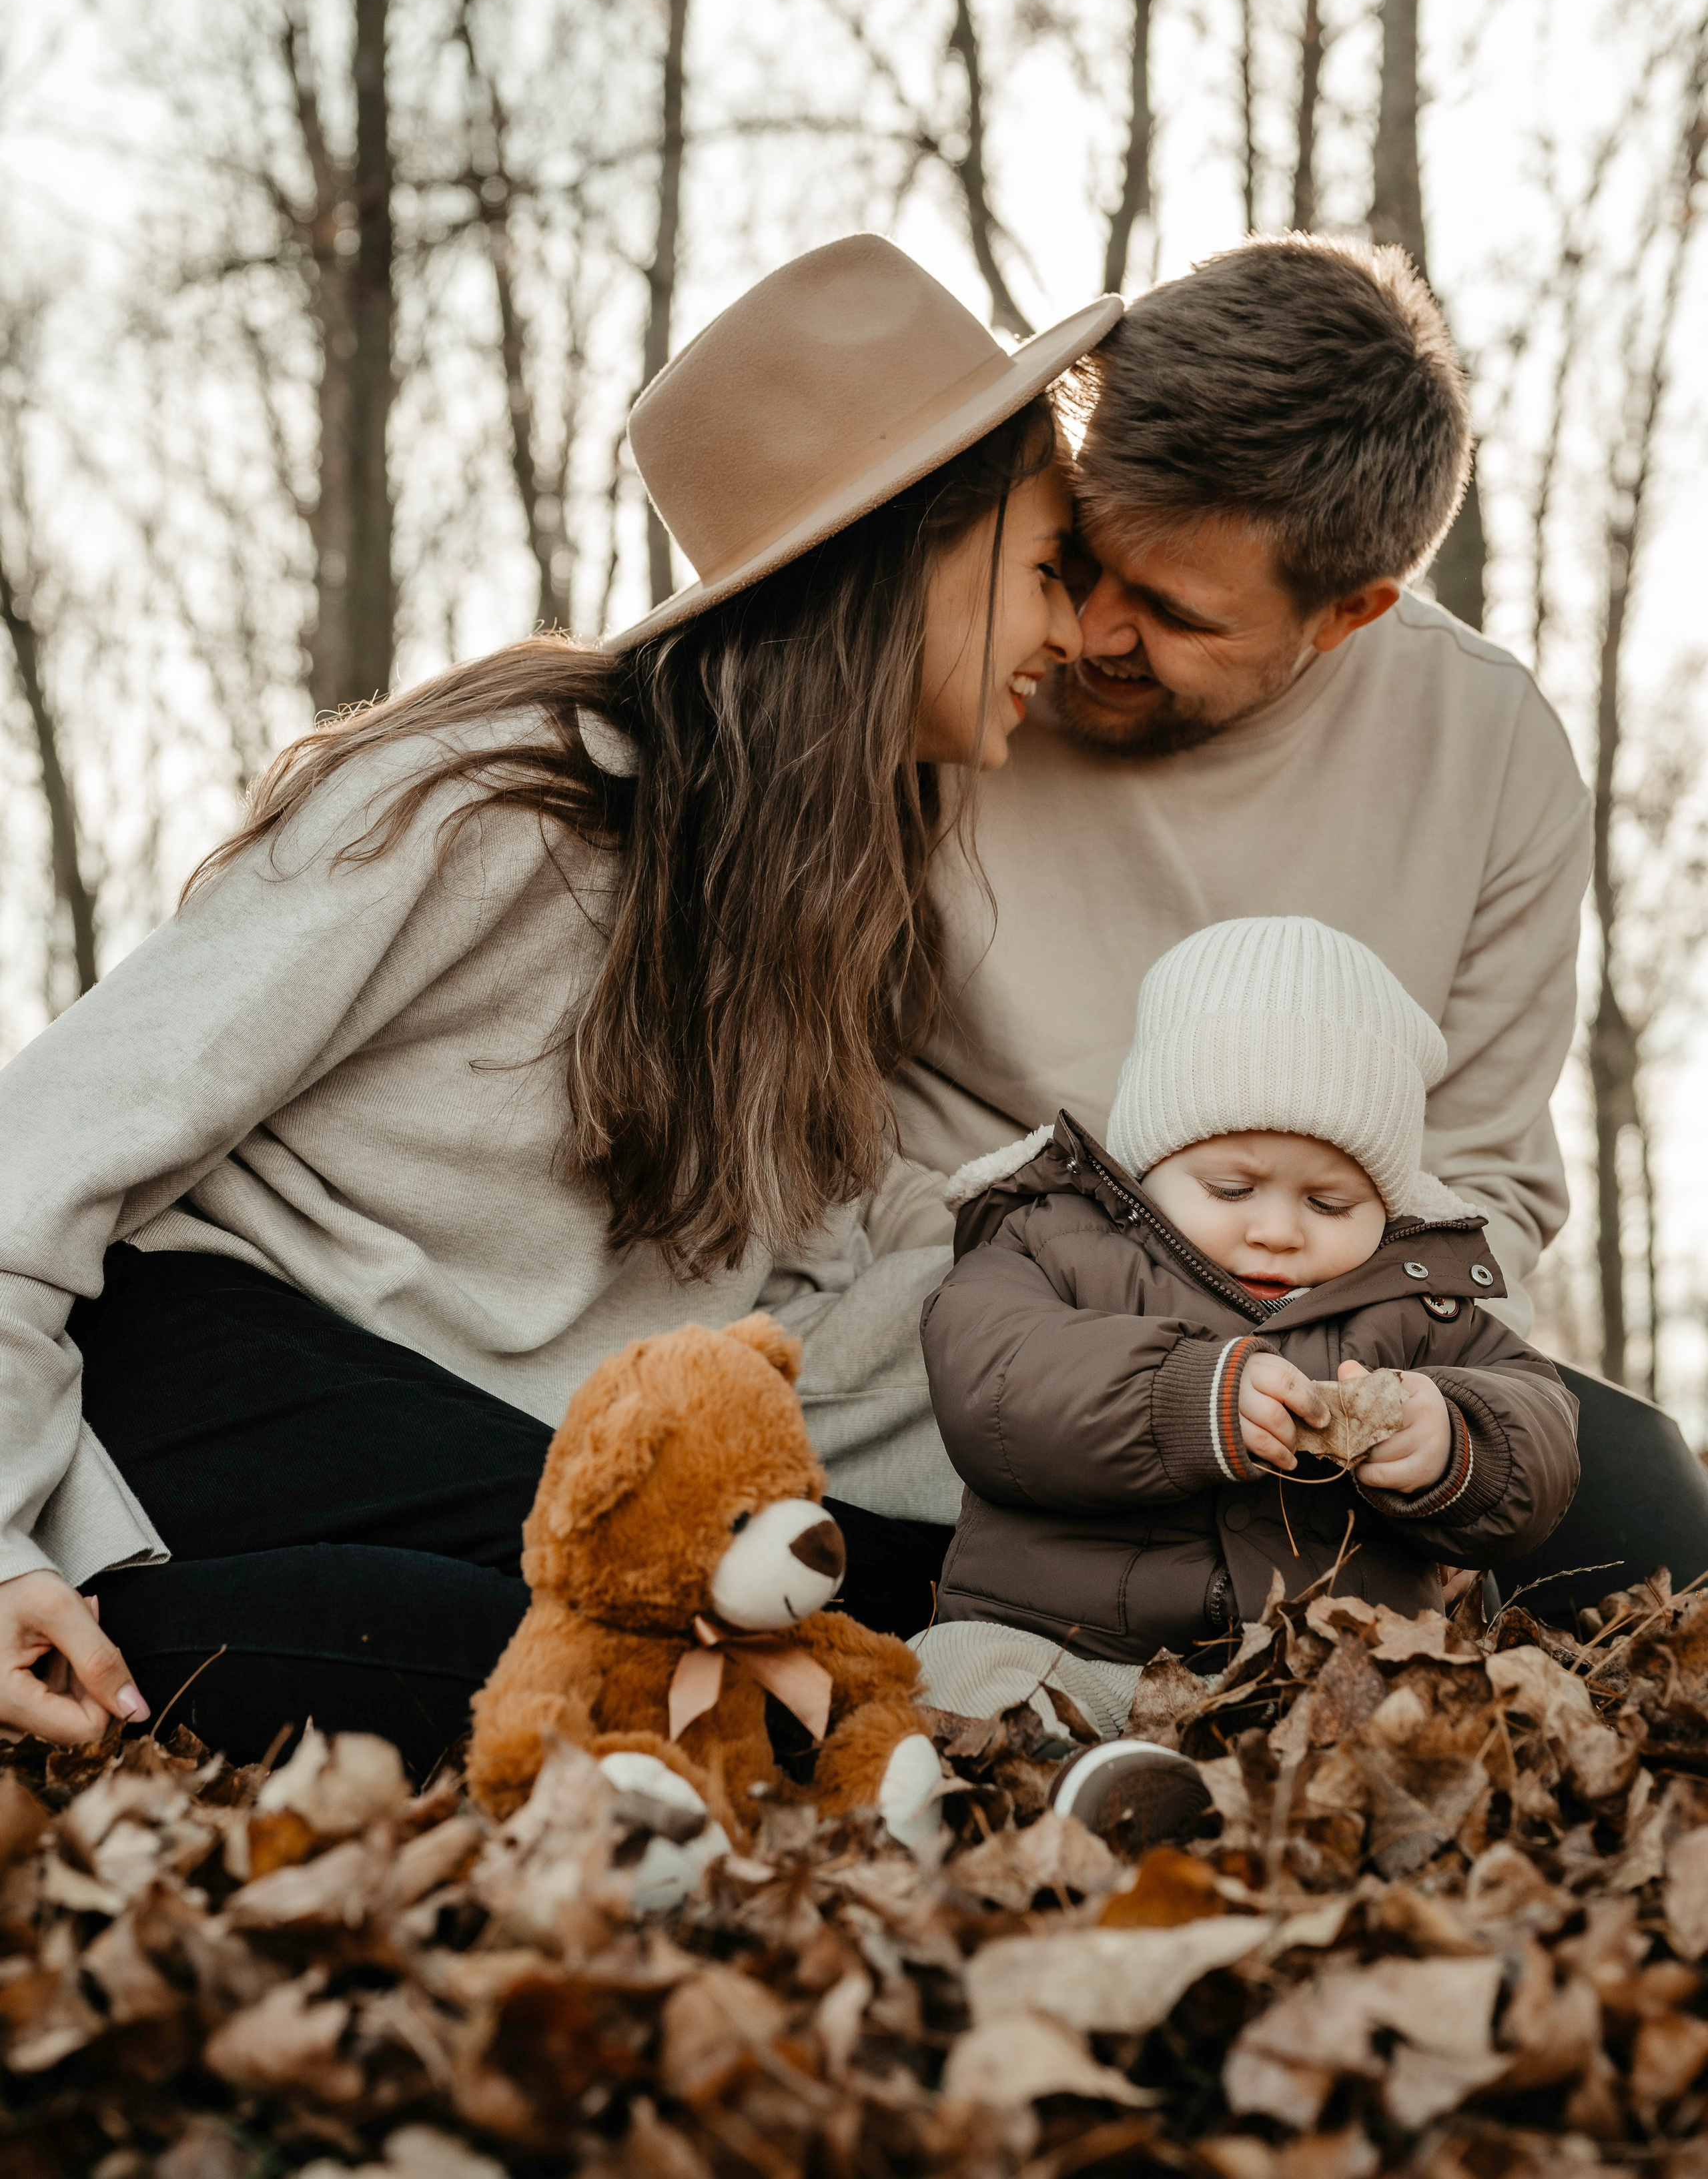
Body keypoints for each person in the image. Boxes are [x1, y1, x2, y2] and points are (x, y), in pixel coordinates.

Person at [0, 234, 1122, 1767]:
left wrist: (1125, 1303)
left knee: (862, 1583)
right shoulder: (495, 803)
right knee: (620, 1645)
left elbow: (814, 1307)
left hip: (489, 1433)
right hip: (208, 1376)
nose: (1068, 636)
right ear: (906, 548)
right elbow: (41, 1152)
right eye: (1047, 565)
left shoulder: (801, 894)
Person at [894, 237, 1592, 1334]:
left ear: (1347, 615)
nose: (1085, 631)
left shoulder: (1491, 749)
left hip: (1324, 1348)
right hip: (952, 1308)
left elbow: (1481, 1185)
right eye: (1079, 558)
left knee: (1651, 1495)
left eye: (1175, 614)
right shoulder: (953, 661)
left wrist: (1319, 1372)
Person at [913, 916, 1579, 1846]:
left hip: (1318, 1682)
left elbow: (1542, 1424)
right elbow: (993, 1379)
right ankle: (1072, 1785)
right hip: (1076, 1646)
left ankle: (1311, 1821)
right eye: (1233, 1189)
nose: (1277, 1229)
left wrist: (1456, 1441)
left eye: (1329, 1202)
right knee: (956, 1676)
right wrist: (1189, 1397)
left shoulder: (1419, 1303)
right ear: (1154, 1163)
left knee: (1428, 1729)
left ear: (1385, 1206)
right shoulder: (1050, 1241)